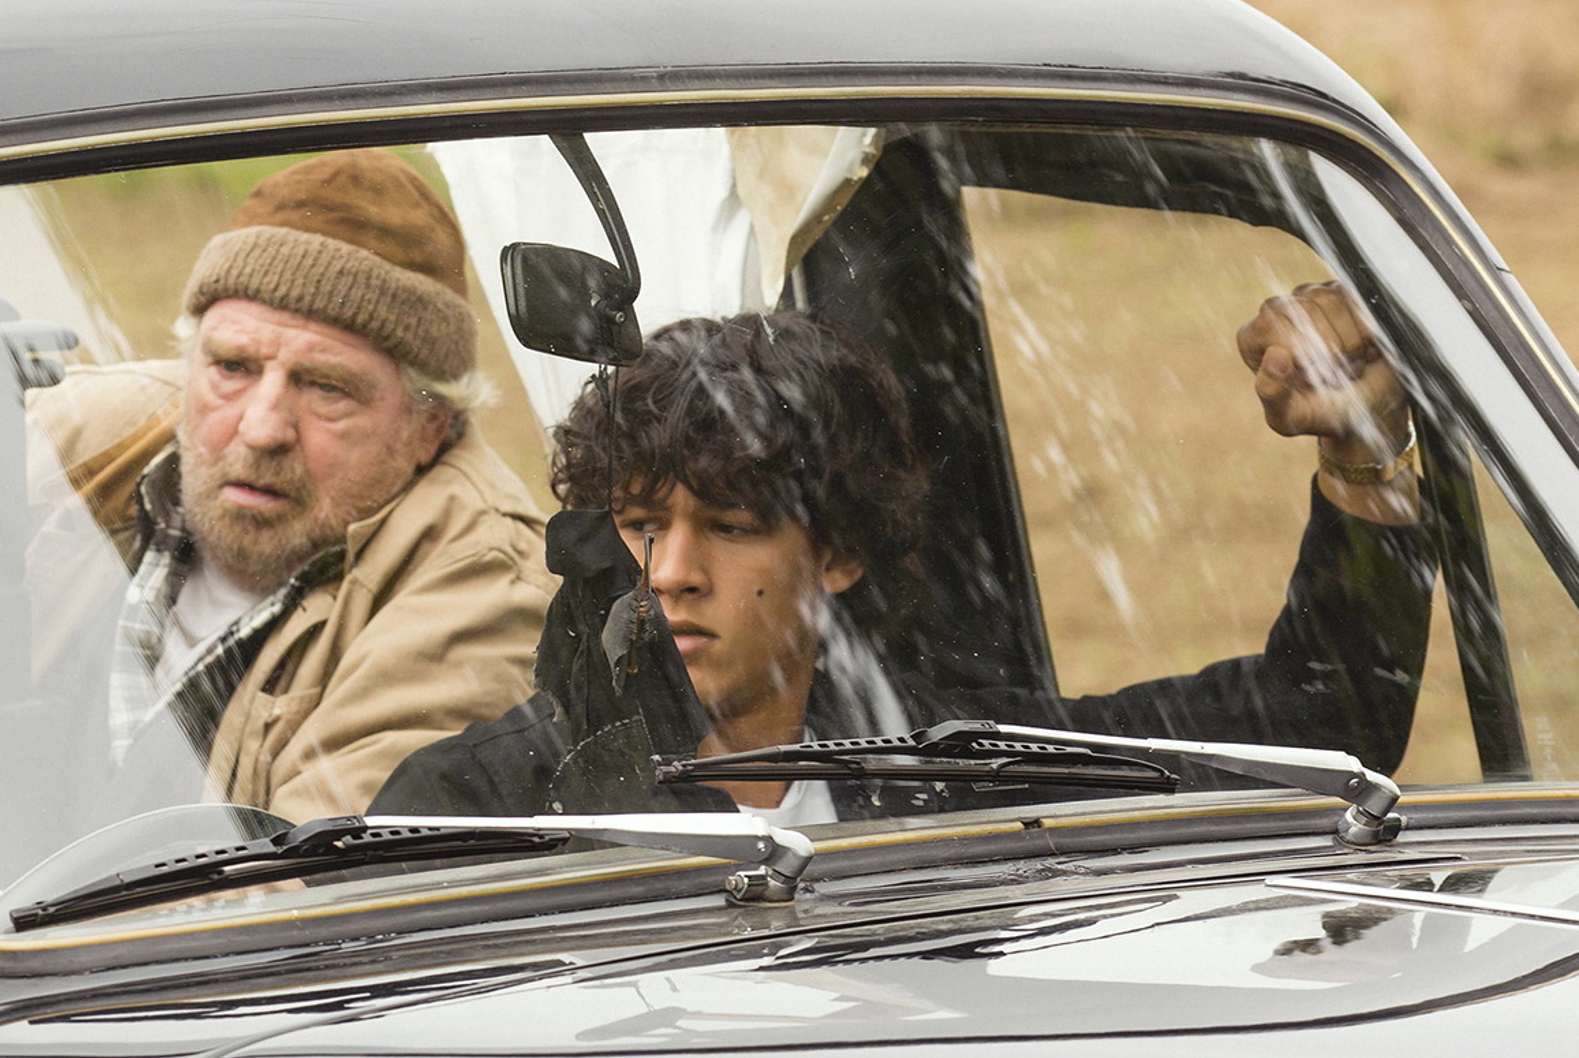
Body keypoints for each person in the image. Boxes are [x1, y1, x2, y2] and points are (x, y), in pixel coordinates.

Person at [375, 287, 1434, 819]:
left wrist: (1361, 456)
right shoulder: (481, 808)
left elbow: (1320, 726)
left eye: (731, 526)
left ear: (835, 554)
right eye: (642, 524)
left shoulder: (958, 769)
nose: (668, 570)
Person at [29, 149, 557, 822]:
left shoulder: (481, 589)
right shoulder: (103, 438)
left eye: (326, 387)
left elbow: (290, 893)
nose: (261, 427)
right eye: (234, 366)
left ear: (430, 424)